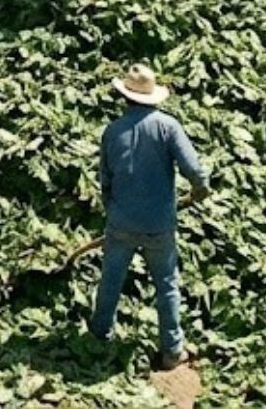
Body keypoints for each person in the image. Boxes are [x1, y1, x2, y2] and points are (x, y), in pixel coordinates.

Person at [88, 63, 209, 373]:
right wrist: (200, 189)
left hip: (122, 223)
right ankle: (171, 352)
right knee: (167, 284)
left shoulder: (112, 131)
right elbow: (193, 169)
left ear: (125, 97)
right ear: (154, 98)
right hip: (159, 224)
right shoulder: (167, 127)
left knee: (111, 280)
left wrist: (114, 212)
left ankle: (99, 337)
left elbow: (105, 180)